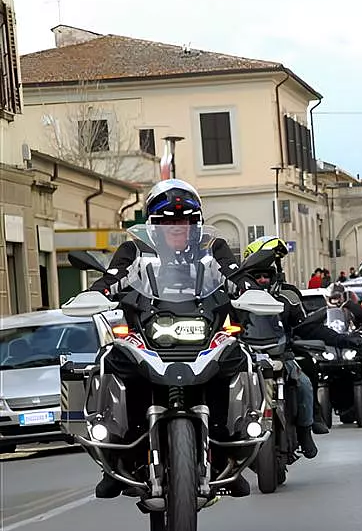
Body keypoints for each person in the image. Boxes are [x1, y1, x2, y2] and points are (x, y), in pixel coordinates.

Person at [89, 179, 258, 498]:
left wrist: (248, 288)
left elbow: (234, 273)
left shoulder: (212, 250)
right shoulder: (134, 250)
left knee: (238, 357)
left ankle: (227, 453)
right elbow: (114, 275)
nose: (177, 227)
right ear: (154, 224)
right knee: (110, 360)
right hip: (147, 337)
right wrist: (98, 291)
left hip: (203, 336)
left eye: (185, 220)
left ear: (197, 223)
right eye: (168, 221)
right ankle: (118, 453)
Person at [241, 236, 323, 457]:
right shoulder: (235, 294)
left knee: (304, 383)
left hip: (281, 355)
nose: (264, 279)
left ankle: (306, 431)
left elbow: (303, 324)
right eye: (258, 274)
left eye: (268, 272)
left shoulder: (288, 294)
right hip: (247, 358)